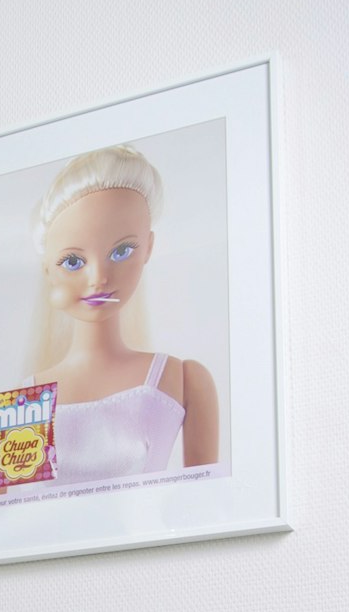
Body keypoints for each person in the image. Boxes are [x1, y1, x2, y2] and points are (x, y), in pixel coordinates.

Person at [31, 144, 219, 485]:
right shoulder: (21, 403)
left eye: (122, 251)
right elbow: (1, 527)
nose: (98, 278)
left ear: (148, 247)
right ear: (47, 269)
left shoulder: (184, 380)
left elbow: (204, 507)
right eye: (73, 261)